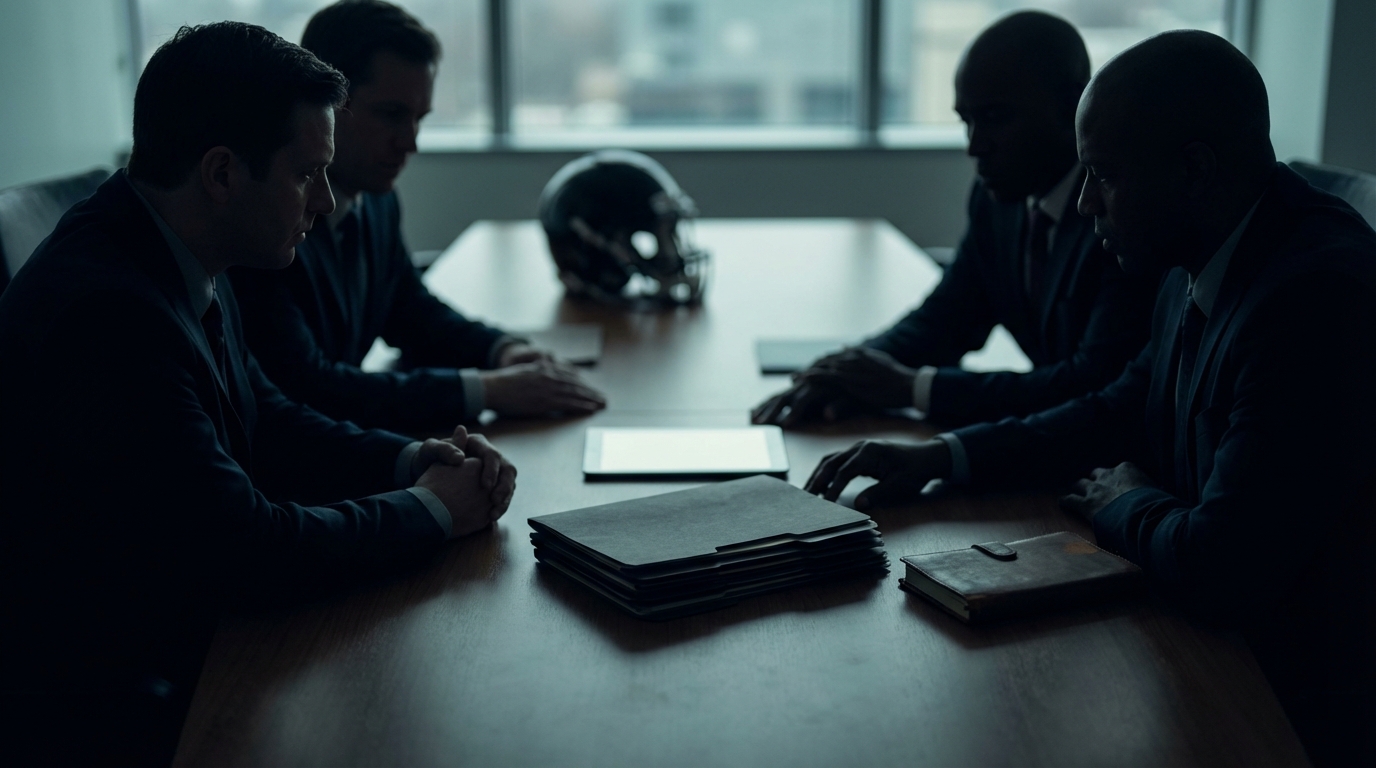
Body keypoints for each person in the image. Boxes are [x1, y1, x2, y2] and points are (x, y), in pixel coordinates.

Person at [806, 30, 1376, 767]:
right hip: (1214, 645)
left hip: (1294, 704)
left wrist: (1125, 500)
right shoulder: (1200, 247)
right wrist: (941, 457)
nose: (1082, 202)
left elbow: (1222, 568)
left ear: (1195, 169)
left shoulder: (1313, 296)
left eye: (1103, 176)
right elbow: (1114, 409)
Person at [0, 23, 517, 765]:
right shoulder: (109, 316)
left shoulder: (186, 248)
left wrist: (412, 460)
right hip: (104, 694)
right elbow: (246, 552)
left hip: (180, 633)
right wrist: (434, 510)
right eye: (308, 174)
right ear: (222, 174)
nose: (327, 201)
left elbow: (266, 417)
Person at [754, 11, 1154, 430]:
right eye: (967, 121)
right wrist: (841, 374)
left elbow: (1091, 382)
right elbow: (946, 319)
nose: (974, 147)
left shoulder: (1118, 216)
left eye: (996, 118)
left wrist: (913, 388)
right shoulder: (996, 202)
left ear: (1071, 104)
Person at [229, 0, 605, 432]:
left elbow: (408, 309)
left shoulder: (378, 200)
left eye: (419, 119)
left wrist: (502, 350)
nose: (410, 144)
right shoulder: (269, 223)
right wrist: (487, 391)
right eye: (392, 115)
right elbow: (310, 386)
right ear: (326, 103)